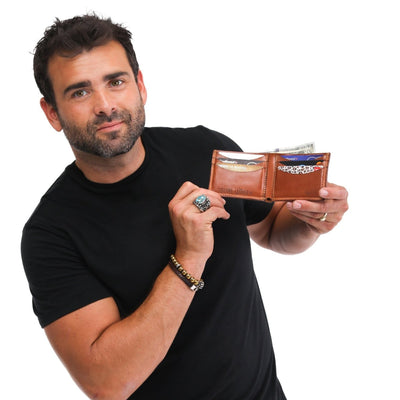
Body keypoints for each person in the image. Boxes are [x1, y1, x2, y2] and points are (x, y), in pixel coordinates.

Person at [21, 14, 349, 400]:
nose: (105, 105)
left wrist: (310, 219)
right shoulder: (51, 234)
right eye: (80, 92)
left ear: (140, 85)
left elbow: (273, 230)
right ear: (52, 113)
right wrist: (189, 257)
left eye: (116, 82)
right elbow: (107, 383)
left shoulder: (205, 148)